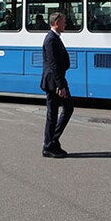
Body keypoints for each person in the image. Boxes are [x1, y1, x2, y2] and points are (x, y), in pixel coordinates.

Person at [40, 12, 73, 158]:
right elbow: (53, 65)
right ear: (56, 23)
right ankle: (49, 145)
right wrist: (60, 86)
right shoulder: (51, 39)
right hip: (54, 82)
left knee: (65, 109)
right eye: (64, 22)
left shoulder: (55, 38)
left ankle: (52, 141)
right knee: (53, 114)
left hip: (58, 80)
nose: (66, 24)